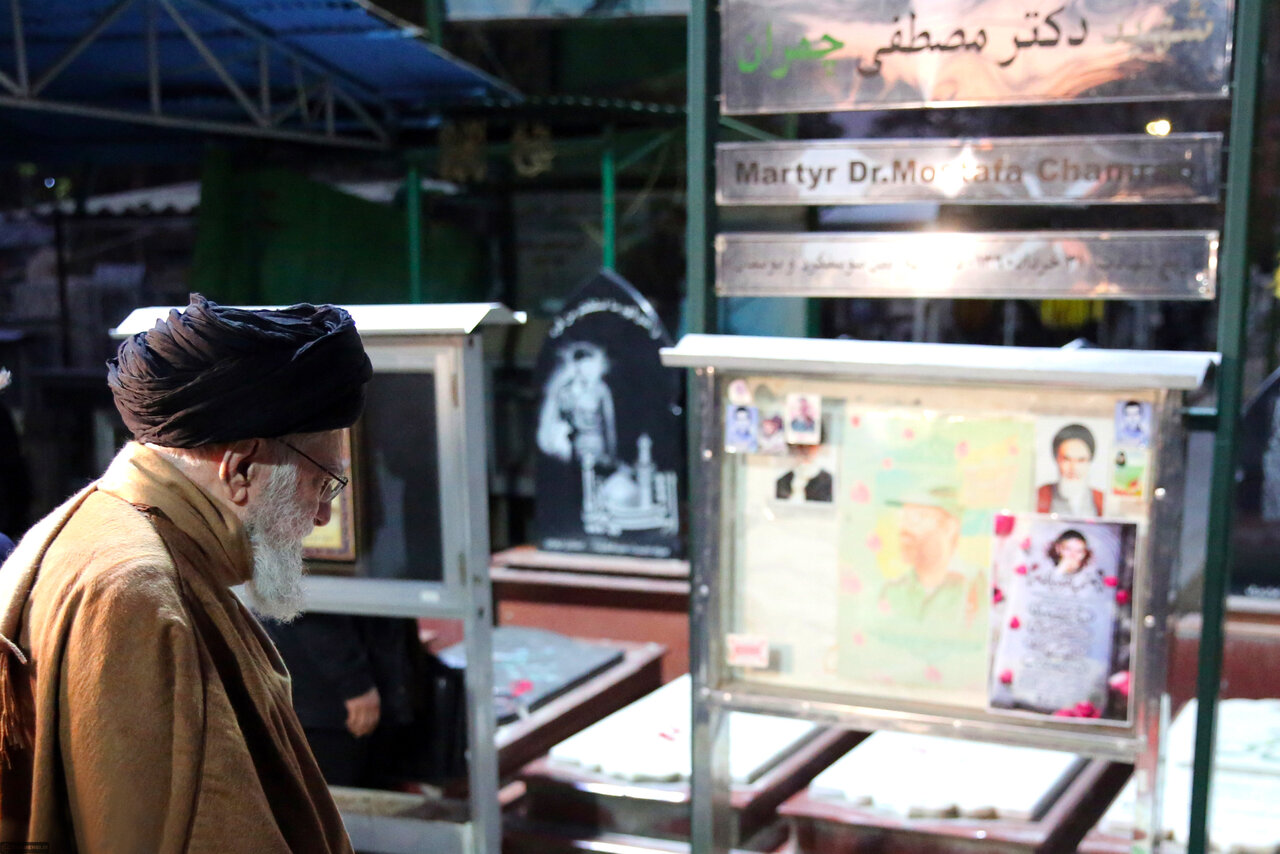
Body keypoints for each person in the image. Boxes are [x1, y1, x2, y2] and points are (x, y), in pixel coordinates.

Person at [0, 294, 371, 852]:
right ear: (241, 466)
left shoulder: (121, 535)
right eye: (323, 483)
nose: (321, 514)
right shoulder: (133, 589)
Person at [1036, 424, 1105, 517]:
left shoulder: (1102, 500)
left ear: (1089, 461)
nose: (1073, 468)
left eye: (1081, 460)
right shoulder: (1039, 495)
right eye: (1067, 459)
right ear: (1057, 459)